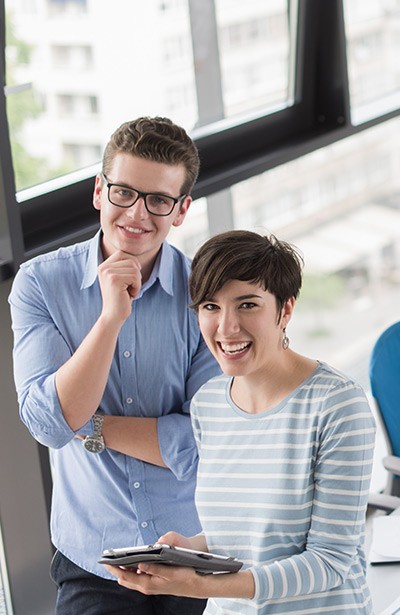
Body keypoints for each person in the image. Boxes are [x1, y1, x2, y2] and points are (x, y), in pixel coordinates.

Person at [10, 117, 220, 614]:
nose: (137, 214)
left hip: (187, 552)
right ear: (99, 191)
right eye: (124, 192)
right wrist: (109, 319)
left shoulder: (204, 294)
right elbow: (49, 424)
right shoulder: (40, 285)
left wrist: (94, 425)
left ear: (181, 210)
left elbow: (207, 440)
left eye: (158, 201)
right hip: (93, 559)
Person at [104, 231, 376, 613]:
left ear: (285, 310)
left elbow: (330, 561)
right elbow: (243, 536)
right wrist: (188, 548)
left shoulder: (337, 405)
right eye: (210, 307)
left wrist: (198, 586)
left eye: (247, 305)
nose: (226, 328)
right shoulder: (209, 404)